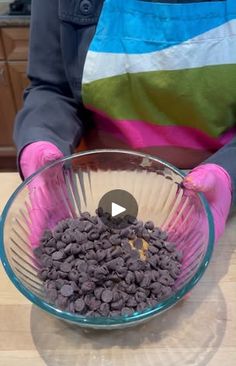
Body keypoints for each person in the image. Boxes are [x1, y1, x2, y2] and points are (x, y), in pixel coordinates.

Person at [14, 0, 235, 246]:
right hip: (96, 187)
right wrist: (42, 137)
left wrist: (228, 176)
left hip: (216, 199)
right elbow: (52, 88)